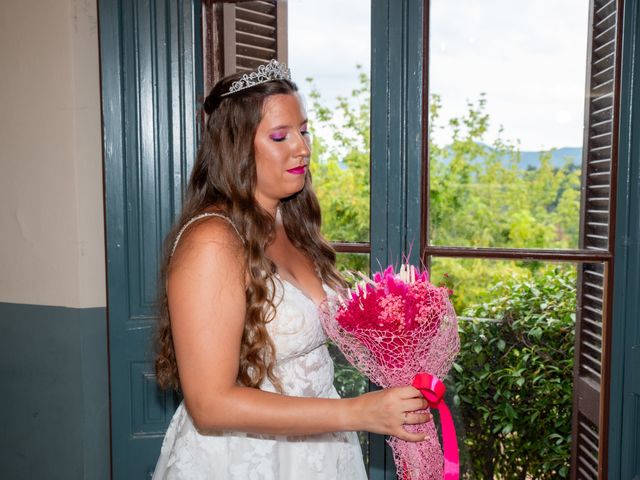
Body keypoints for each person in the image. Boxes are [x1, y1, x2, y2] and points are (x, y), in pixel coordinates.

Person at [152, 60, 430, 479]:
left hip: (320, 453)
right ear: (236, 146)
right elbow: (209, 405)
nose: (302, 147)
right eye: (280, 136)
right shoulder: (212, 241)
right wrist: (359, 412)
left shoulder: (289, 222)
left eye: (303, 130)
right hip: (244, 460)